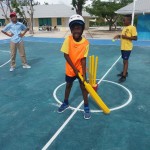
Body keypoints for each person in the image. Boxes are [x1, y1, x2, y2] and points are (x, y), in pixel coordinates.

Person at [58, 14, 91, 119]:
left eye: (79, 28)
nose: (76, 30)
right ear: (71, 29)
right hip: (71, 69)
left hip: (80, 69)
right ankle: (65, 102)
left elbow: (83, 59)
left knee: (83, 87)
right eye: (74, 28)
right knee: (68, 85)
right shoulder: (68, 39)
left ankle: (86, 106)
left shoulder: (86, 43)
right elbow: (65, 55)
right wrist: (74, 69)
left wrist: (84, 75)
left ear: (82, 29)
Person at [113, 15, 137, 83]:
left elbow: (135, 38)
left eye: (124, 20)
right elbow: (123, 36)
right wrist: (119, 36)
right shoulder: (125, 28)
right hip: (123, 47)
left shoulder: (132, 28)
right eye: (123, 20)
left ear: (129, 21)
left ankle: (124, 75)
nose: (123, 21)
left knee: (125, 61)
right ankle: (124, 72)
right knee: (124, 61)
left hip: (127, 47)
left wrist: (125, 37)